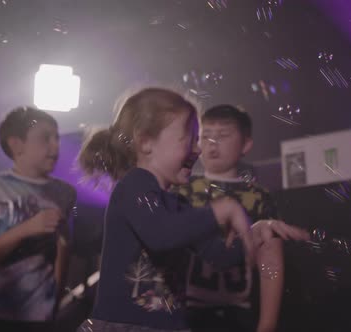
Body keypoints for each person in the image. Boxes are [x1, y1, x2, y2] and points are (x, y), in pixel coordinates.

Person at [75, 87, 258, 332]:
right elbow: (161, 235)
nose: (198, 149)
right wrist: (221, 210)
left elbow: (218, 257)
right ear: (146, 142)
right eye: (189, 138)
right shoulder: (134, 185)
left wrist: (256, 234)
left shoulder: (175, 203)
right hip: (127, 326)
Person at [176, 104, 309, 332]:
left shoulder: (258, 196)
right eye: (205, 136)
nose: (212, 143)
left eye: (223, 135)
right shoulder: (183, 188)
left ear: (246, 144)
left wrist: (267, 324)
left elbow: (271, 258)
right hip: (183, 314)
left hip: (237, 314)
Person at [0, 107, 77, 332]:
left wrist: (53, 304)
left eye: (56, 137)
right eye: (44, 138)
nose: (55, 146)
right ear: (16, 144)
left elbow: (62, 250)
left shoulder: (64, 193)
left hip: (34, 318)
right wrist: (27, 228)